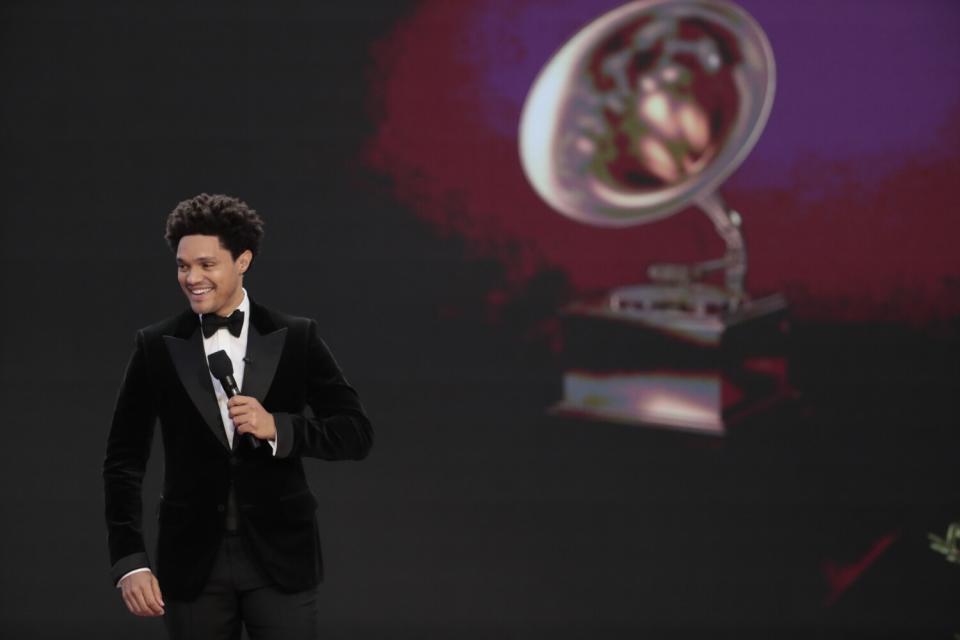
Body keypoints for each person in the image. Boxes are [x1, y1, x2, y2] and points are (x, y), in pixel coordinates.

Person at [103, 193, 373, 639]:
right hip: (191, 565)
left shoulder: (297, 337)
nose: (192, 278)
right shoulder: (155, 346)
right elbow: (122, 461)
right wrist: (129, 561)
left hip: (281, 560)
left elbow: (356, 433)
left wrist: (279, 429)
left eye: (206, 265)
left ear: (242, 260)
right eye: (183, 266)